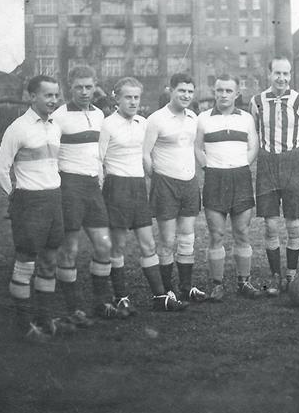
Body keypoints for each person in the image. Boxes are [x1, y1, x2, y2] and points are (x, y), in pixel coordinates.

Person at [99, 77, 187, 312]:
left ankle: (159, 296)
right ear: (116, 98)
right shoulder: (107, 125)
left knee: (148, 244)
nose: (133, 101)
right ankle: (121, 296)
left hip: (138, 188)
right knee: (118, 247)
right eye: (128, 97)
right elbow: (98, 161)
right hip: (116, 188)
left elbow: (150, 154)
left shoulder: (143, 123)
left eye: (136, 97)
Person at [0, 75, 66, 341]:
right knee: (25, 263)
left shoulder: (55, 126)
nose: (53, 100)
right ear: (31, 96)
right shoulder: (17, 128)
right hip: (29, 203)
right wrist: (16, 197)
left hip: (54, 200)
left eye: (56, 95)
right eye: (48, 95)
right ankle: (23, 325)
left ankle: (45, 319)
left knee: (49, 262)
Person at [53, 65, 119, 322]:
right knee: (69, 249)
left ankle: (101, 302)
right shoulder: (59, 116)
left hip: (93, 187)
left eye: (88, 87)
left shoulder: (100, 114)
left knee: (104, 245)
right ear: (69, 87)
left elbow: (99, 154)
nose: (84, 92)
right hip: (68, 186)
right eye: (78, 87)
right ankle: (73, 308)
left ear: (95, 86)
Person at [196, 76, 262, 300]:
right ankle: (217, 284)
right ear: (214, 92)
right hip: (215, 178)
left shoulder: (246, 119)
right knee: (217, 234)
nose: (223, 94)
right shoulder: (203, 118)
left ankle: (244, 282)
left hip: (240, 177)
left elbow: (254, 146)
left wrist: (241, 164)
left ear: (236, 94)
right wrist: (209, 167)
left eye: (228, 91)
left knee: (242, 232)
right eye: (219, 90)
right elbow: (197, 147)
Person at [249, 57, 299, 296]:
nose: (282, 78)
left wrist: (290, 154)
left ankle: (292, 275)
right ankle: (275, 275)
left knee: (294, 224)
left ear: (290, 74)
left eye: (286, 74)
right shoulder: (257, 102)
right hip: (267, 163)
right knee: (271, 224)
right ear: (269, 74)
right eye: (277, 73)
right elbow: (254, 134)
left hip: (293, 162)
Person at [143, 73, 207, 304]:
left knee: (187, 237)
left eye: (190, 92)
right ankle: (167, 290)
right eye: (181, 91)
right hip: (165, 184)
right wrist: (157, 178)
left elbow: (196, 147)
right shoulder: (156, 119)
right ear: (171, 90)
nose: (186, 95)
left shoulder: (193, 117)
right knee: (167, 241)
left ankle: (186, 287)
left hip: (189, 183)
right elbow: (145, 154)